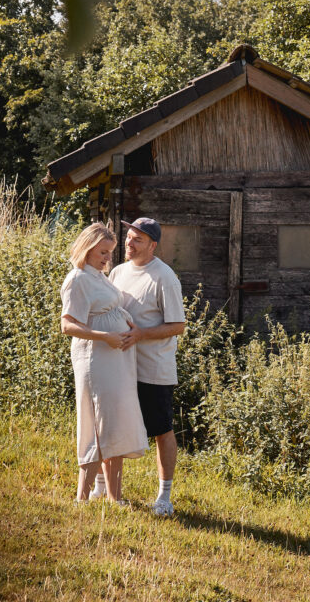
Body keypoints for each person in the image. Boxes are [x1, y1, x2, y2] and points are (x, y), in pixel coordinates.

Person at [60, 222, 147, 503]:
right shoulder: (77, 279)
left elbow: (106, 305)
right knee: (96, 422)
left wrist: (125, 318)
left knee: (114, 420)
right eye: (103, 252)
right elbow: (68, 325)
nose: (108, 258)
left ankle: (115, 497)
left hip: (115, 359)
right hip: (95, 358)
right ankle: (82, 498)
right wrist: (105, 337)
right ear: (87, 248)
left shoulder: (98, 276)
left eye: (110, 252)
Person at [106, 216, 185, 517]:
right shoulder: (117, 272)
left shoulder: (164, 277)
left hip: (154, 369)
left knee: (161, 431)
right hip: (120, 365)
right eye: (129, 236)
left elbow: (177, 325)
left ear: (152, 245)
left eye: (138, 238)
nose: (129, 242)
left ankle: (164, 496)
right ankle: (109, 489)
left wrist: (140, 334)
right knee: (115, 425)